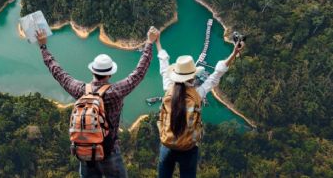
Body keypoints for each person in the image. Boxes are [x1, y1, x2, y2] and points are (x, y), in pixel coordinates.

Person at [35, 27, 160, 178]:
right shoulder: (115, 92)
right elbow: (139, 73)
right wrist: (149, 42)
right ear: (109, 73)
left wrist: (43, 47)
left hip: (86, 153)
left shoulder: (80, 90)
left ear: (93, 71)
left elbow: (58, 73)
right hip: (109, 152)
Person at [155, 36, 244, 178]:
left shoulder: (168, 88)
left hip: (167, 145)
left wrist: (157, 41)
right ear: (192, 77)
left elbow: (163, 65)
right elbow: (216, 74)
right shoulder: (198, 93)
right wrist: (234, 53)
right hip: (188, 148)